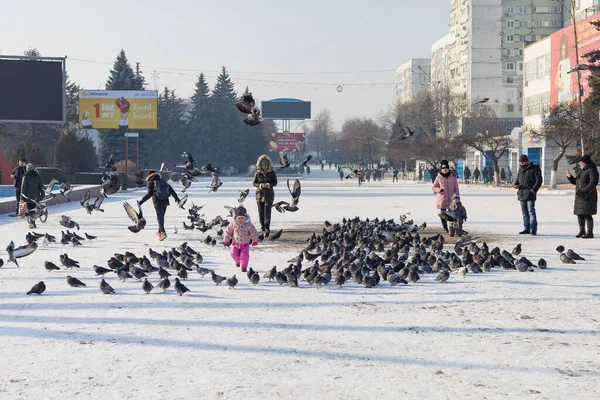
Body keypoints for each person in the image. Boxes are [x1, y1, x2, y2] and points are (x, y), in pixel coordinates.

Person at [139, 170, 181, 241]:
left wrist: (142, 201)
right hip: (165, 200)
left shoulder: (150, 182)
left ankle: (163, 232)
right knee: (161, 217)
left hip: (157, 201)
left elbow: (150, 194)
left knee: (159, 217)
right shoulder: (162, 180)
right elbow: (170, 189)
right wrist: (176, 197)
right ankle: (159, 231)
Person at [566, 154, 599, 238]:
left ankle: (589, 233)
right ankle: (582, 231)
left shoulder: (592, 170)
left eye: (581, 162)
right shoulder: (582, 171)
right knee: (579, 214)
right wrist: (570, 177)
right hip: (580, 196)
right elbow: (575, 182)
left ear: (586, 162)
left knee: (587, 214)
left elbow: (593, 183)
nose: (580, 164)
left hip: (588, 196)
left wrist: (584, 191)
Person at [513, 154, 543, 235]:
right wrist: (515, 184)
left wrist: (533, 190)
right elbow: (517, 180)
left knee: (531, 211)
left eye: (522, 162)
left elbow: (539, 181)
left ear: (526, 161)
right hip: (521, 193)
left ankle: (533, 229)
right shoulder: (520, 170)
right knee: (524, 213)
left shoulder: (535, 168)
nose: (521, 163)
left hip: (530, 193)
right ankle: (526, 228)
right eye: (520, 162)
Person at [223, 206, 259, 272]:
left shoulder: (248, 224)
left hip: (245, 244)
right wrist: (226, 240)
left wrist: (254, 240)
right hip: (235, 243)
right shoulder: (233, 223)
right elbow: (228, 231)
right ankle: (237, 261)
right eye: (239, 218)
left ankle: (243, 267)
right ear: (236, 218)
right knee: (233, 254)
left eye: (242, 218)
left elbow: (253, 232)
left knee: (244, 256)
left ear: (245, 218)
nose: (240, 220)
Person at [253, 154, 278, 237]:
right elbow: (254, 183)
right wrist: (260, 185)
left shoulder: (272, 172)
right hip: (259, 195)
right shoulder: (257, 172)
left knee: (267, 211)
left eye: (266, 165)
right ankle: (262, 226)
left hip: (269, 195)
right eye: (263, 165)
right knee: (261, 211)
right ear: (260, 165)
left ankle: (267, 227)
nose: (264, 167)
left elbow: (275, 182)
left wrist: (269, 185)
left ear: (268, 165)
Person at [432, 160, 460, 234]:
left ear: (448, 168)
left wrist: (457, 196)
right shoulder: (439, 177)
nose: (444, 170)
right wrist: (439, 190)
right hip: (442, 198)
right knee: (443, 214)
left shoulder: (453, 176)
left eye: (446, 168)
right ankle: (445, 228)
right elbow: (434, 187)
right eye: (443, 168)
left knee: (453, 214)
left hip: (452, 198)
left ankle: (454, 228)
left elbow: (456, 187)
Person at [20, 163, 45, 229]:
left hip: (28, 197)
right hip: (36, 197)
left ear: (27, 169)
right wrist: (42, 195)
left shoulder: (25, 176)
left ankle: (32, 223)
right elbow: (41, 187)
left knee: (30, 210)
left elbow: (23, 188)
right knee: (34, 210)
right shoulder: (37, 176)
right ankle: (32, 222)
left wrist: (22, 197)